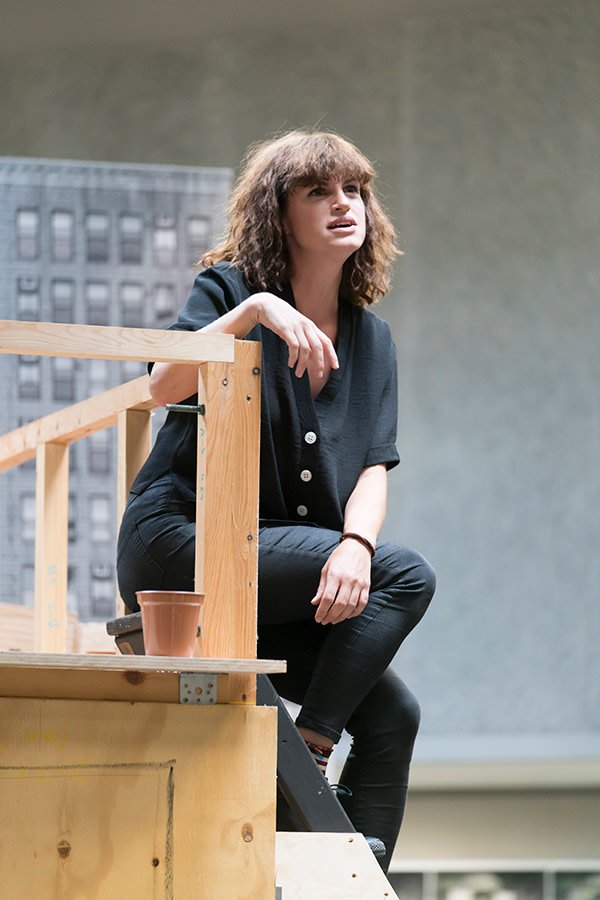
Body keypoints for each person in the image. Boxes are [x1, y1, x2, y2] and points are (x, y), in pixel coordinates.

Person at [116, 129, 436, 873]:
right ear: (278, 213)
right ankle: (309, 756)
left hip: (275, 570)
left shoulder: (373, 339)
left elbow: (374, 465)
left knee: (394, 713)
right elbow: (161, 385)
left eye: (354, 190)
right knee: (408, 575)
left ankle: (352, 878)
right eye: (318, 191)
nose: (343, 204)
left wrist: (355, 546)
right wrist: (257, 310)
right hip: (182, 541)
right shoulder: (231, 290)